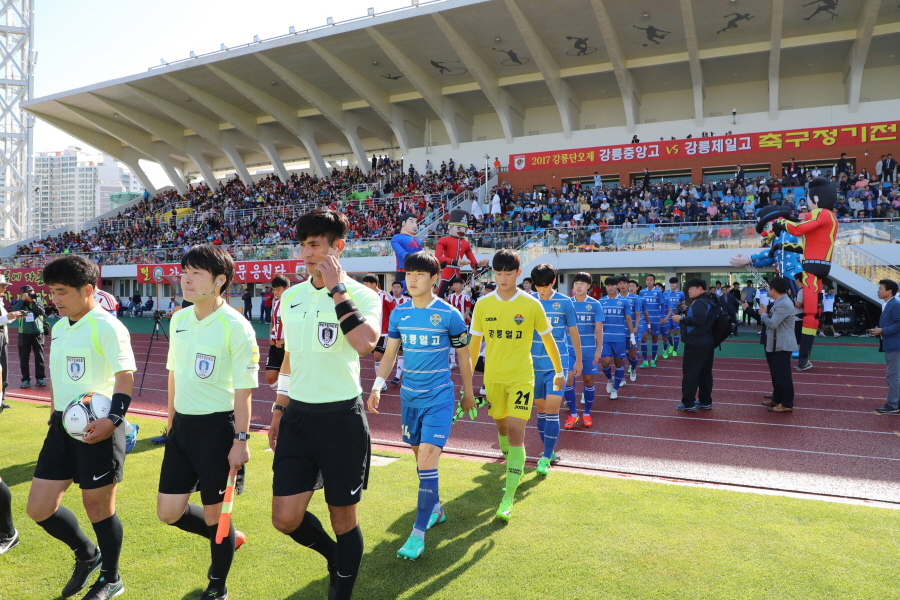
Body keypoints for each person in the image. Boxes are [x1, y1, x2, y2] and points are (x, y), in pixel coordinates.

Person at [268, 209, 380, 600]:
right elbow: (290, 357)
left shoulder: (364, 294)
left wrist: (337, 289)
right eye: (302, 244)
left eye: (314, 244)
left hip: (340, 419)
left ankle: (342, 590)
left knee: (342, 515)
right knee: (284, 518)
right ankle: (337, 558)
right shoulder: (292, 297)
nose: (306, 253)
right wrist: (279, 408)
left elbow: (365, 344)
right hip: (298, 416)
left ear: (338, 247)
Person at [26, 254, 137, 600]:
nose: (54, 299)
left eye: (61, 292)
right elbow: (60, 379)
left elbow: (125, 376)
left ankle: (111, 578)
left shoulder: (107, 326)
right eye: (52, 292)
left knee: (98, 507)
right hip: (62, 426)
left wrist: (113, 420)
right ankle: (88, 554)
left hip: (100, 428)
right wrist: (53, 415)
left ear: (87, 290)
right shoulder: (58, 327)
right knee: (39, 508)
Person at [156, 245, 259, 600]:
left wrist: (241, 441)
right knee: (168, 512)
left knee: (217, 517)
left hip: (218, 430)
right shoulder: (179, 319)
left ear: (219, 281)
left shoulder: (237, 327)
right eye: (185, 270)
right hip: (183, 428)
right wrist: (170, 423)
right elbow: (172, 375)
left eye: (196, 272)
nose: (186, 277)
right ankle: (230, 537)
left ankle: (218, 585)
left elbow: (245, 392)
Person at [366, 251, 474, 560]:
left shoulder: (449, 315)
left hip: (439, 398)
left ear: (434, 280)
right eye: (408, 274)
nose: (411, 279)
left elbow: (464, 356)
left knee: (427, 458)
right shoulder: (400, 313)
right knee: (420, 461)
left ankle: (417, 534)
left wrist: (468, 393)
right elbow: (389, 354)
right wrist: (376, 385)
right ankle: (436, 508)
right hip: (408, 399)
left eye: (419, 274)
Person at [468, 249, 563, 521]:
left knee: (515, 431)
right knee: (500, 426)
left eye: (508, 273)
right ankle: (513, 464)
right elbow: (474, 345)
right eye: (498, 273)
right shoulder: (483, 304)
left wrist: (558, 371)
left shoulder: (532, 305)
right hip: (494, 379)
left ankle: (508, 495)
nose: (503, 278)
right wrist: (467, 381)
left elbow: (548, 340)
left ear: (518, 274)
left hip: (522, 377)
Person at [529, 264, 580, 474]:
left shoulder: (565, 302)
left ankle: (544, 458)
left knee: (552, 409)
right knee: (541, 410)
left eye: (545, 285)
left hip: (557, 365)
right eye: (537, 286)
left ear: (553, 282)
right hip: (532, 365)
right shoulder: (528, 301)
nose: (541, 290)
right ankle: (549, 452)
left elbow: (573, 333)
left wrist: (578, 362)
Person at [565, 272, 603, 429]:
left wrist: (598, 349)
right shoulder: (567, 304)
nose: (578, 286)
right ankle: (573, 414)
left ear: (589, 286)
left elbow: (599, 330)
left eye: (582, 283)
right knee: (568, 380)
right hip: (569, 350)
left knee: (588, 381)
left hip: (588, 350)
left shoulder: (595, 305)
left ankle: (587, 413)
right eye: (576, 283)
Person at [673, 278, 717, 412]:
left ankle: (688, 403)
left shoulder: (699, 302)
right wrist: (687, 311)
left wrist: (681, 318)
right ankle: (705, 400)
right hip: (708, 341)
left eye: (692, 288)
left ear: (700, 289)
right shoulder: (711, 299)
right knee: (705, 373)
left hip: (695, 342)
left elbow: (699, 320)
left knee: (690, 373)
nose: (689, 290)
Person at [759, 276, 797, 413]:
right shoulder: (780, 301)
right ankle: (777, 398)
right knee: (776, 373)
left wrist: (763, 315)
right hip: (775, 343)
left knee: (783, 375)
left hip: (781, 344)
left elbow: (773, 323)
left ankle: (786, 403)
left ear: (773, 290)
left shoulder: (784, 303)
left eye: (769, 288)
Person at [599, 277, 634, 401]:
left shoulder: (624, 301)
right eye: (608, 285)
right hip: (605, 338)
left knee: (619, 364)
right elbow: (597, 322)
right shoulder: (601, 301)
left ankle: (615, 390)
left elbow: (628, 319)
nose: (610, 287)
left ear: (617, 286)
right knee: (605, 362)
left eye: (613, 285)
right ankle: (610, 379)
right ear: (605, 287)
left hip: (620, 338)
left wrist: (632, 335)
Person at [361, 275, 394, 391]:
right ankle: (382, 384)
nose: (365, 286)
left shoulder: (385, 296)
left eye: (367, 284)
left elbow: (393, 311)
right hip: (371, 330)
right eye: (364, 284)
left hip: (384, 332)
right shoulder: (365, 297)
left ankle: (379, 383)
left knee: (377, 357)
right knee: (374, 358)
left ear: (374, 284)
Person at [872, 279, 900, 414]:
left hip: (895, 345)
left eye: (880, 288)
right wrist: (879, 329)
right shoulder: (889, 304)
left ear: (889, 291)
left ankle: (892, 404)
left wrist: (882, 330)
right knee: (894, 374)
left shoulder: (895, 305)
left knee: (893, 375)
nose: (878, 290)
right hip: (892, 344)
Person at [13, 284, 46, 388]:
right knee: (24, 358)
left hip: (38, 332)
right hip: (24, 333)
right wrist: (22, 300)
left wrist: (34, 302)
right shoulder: (19, 302)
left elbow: (42, 312)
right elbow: (13, 311)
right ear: (22, 294)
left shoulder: (38, 300)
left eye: (31, 292)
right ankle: (25, 379)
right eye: (27, 292)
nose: (30, 294)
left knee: (39, 356)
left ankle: (40, 378)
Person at [0, 275, 24, 411]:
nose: (5, 288)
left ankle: (1, 399)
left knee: (3, 369)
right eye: (2, 285)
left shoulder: (1, 302)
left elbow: (4, 320)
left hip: (3, 338)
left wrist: (13, 316)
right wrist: (8, 317)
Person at [266, 276, 290, 392]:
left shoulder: (293, 304)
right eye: (274, 290)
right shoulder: (276, 303)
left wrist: (284, 340)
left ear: (287, 288)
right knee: (270, 377)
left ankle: (287, 402)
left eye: (279, 289)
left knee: (290, 378)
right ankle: (283, 398)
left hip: (288, 346)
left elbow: (298, 327)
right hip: (275, 345)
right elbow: (274, 322)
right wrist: (271, 334)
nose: (276, 292)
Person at [391, 213, 422, 293]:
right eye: (412, 222)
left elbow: (423, 255)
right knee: (400, 292)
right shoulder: (397, 238)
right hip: (402, 270)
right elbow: (401, 253)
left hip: (416, 271)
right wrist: (409, 256)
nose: (415, 226)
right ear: (404, 224)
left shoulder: (418, 241)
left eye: (416, 222)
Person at [446, 278, 473, 368]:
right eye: (454, 284)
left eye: (457, 284)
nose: (455, 286)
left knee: (463, 343)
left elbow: (467, 310)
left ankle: (466, 361)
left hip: (463, 323)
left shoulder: (466, 296)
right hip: (453, 323)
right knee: (452, 343)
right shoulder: (451, 297)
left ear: (462, 285)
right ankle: (453, 362)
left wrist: (461, 320)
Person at [639, 274, 664, 367]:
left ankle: (653, 359)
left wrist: (662, 316)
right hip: (644, 319)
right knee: (643, 338)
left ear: (654, 281)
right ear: (646, 281)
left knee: (655, 339)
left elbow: (662, 305)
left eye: (651, 280)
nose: (649, 281)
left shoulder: (658, 292)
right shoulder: (642, 292)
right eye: (648, 280)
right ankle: (645, 360)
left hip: (655, 319)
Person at [388, 281, 411, 384]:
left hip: (407, 330)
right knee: (399, 353)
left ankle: (408, 375)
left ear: (402, 289)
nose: (395, 289)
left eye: (398, 287)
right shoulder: (389, 300)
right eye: (394, 287)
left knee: (409, 354)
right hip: (394, 331)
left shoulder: (408, 300)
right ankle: (397, 376)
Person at [624, 280, 645, 381]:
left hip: (636, 327)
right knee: (626, 350)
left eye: (633, 286)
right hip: (623, 329)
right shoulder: (621, 298)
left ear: (637, 288)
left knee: (635, 349)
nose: (631, 287)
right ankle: (632, 366)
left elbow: (641, 314)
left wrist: (646, 325)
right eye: (630, 286)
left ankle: (633, 366)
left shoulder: (638, 299)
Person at [662, 278, 686, 355]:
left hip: (677, 316)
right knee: (667, 334)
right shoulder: (665, 293)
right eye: (671, 283)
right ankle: (671, 345)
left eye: (674, 283)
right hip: (668, 316)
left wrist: (683, 313)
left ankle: (675, 350)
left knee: (676, 333)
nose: (672, 284)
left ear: (676, 284)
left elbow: (683, 305)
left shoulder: (681, 293)